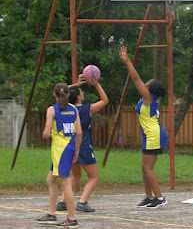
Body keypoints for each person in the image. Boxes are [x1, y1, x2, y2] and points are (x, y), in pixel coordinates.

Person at [119, 46, 168, 209]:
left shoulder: (148, 97)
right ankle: (149, 197)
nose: (143, 85)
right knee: (144, 167)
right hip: (151, 134)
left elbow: (135, 78)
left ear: (149, 89)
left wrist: (127, 61)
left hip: (154, 134)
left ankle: (159, 198)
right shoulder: (146, 98)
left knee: (147, 168)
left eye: (146, 84)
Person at [56, 74, 109, 212]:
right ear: (79, 97)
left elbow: (59, 92)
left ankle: (62, 202)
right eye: (81, 91)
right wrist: (96, 84)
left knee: (76, 175)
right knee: (94, 176)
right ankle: (82, 202)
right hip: (83, 147)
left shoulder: (64, 109)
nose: (83, 92)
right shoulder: (86, 109)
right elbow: (105, 100)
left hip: (69, 147)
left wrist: (75, 85)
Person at [36, 83, 82, 228]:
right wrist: (76, 150)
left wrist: (45, 132)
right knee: (50, 179)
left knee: (65, 183)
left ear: (54, 95)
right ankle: (51, 214)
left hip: (59, 149)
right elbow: (79, 132)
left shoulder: (52, 110)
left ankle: (72, 218)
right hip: (70, 147)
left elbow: (46, 134)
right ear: (68, 95)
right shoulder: (74, 109)